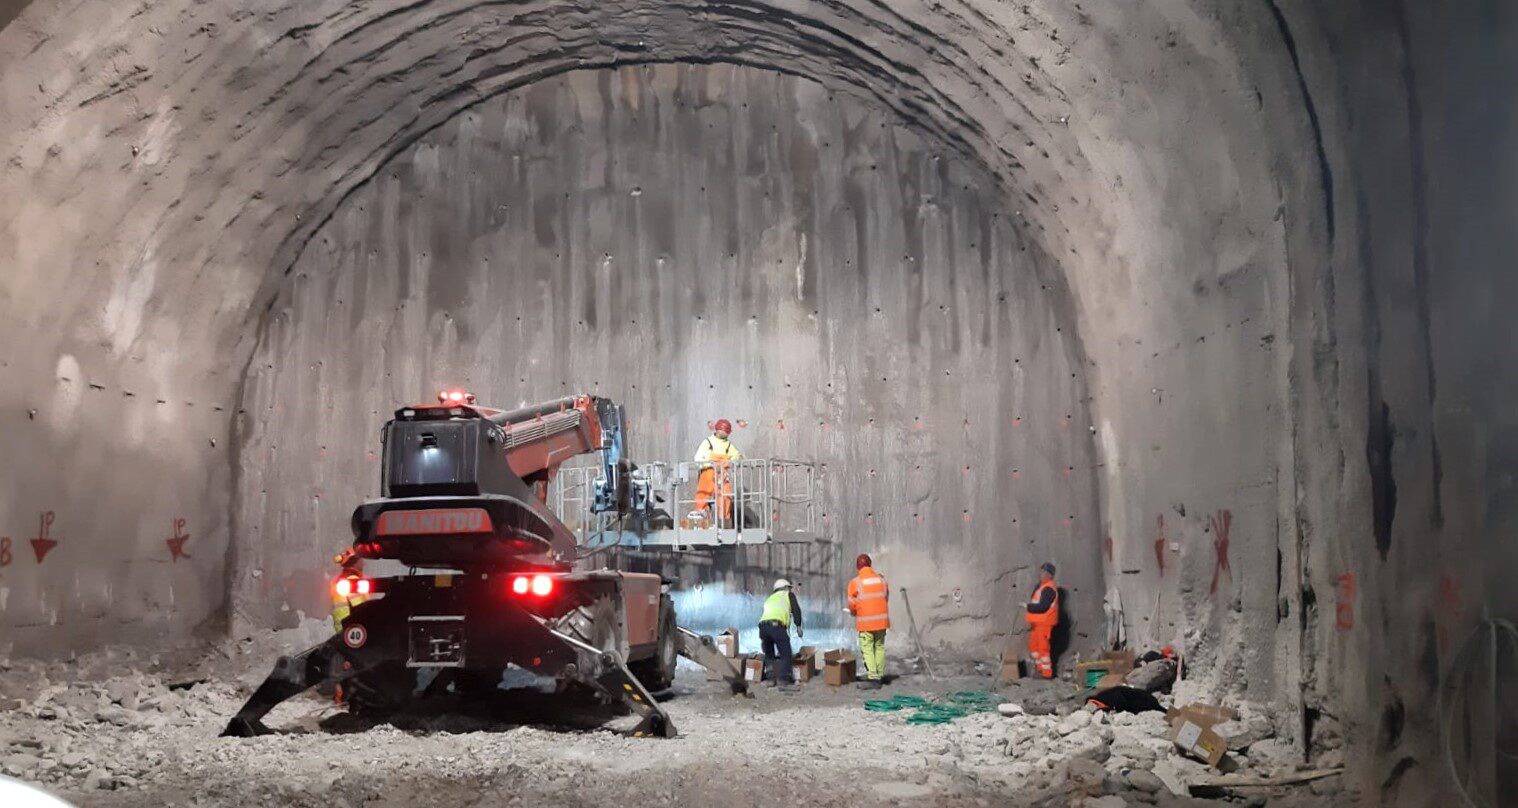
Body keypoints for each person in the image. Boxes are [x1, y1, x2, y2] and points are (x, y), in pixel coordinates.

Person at [846, 553, 890, 689]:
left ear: (858, 567)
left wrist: (854, 612)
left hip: (866, 623)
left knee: (868, 648)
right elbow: (885, 597)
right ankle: (880, 674)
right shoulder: (881, 580)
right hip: (881, 622)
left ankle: (873, 677)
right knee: (879, 647)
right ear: (870, 564)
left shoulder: (855, 582)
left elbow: (852, 604)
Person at [691, 419, 742, 525]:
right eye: (723, 431)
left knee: (726, 496)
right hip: (708, 473)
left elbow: (737, 457)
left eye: (726, 432)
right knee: (703, 494)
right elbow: (698, 459)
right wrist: (711, 463)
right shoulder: (708, 442)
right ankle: (702, 519)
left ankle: (724, 522)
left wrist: (731, 461)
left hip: (722, 474)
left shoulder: (729, 446)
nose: (724, 433)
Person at [759, 578, 804, 691]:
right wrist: (798, 626)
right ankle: (783, 680)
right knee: (786, 653)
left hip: (763, 627)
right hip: (776, 626)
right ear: (785, 588)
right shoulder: (788, 595)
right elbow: (796, 610)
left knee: (769, 654)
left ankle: (770, 680)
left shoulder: (770, 598)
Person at [1025, 562, 1060, 679]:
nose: (1041, 574)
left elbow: (1043, 607)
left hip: (1044, 624)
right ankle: (1039, 669)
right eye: (1041, 571)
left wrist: (1027, 606)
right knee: (1034, 647)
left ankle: (1046, 674)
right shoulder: (1041, 587)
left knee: (1043, 649)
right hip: (1037, 624)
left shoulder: (1049, 588)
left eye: (1044, 572)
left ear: (1050, 575)